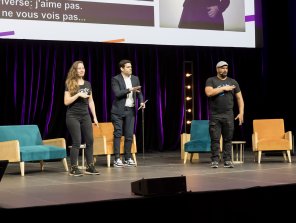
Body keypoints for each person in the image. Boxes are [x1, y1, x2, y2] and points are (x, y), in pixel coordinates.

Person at [205, 61, 244, 168]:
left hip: (228, 115)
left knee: (228, 139)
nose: (225, 70)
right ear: (217, 69)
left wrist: (241, 113)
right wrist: (223, 88)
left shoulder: (233, 82)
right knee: (215, 139)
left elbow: (239, 98)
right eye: (222, 68)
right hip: (215, 115)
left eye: (226, 68)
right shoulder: (211, 80)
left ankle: (227, 160)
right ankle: (215, 160)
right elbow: (209, 93)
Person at [64, 60, 100, 176]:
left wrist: (94, 117)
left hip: (85, 115)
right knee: (77, 141)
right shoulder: (69, 83)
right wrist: (78, 94)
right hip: (72, 115)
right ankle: (73, 168)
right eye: (79, 68)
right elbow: (66, 102)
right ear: (75, 70)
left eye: (83, 68)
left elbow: (91, 101)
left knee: (90, 140)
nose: (81, 70)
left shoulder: (87, 84)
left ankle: (90, 166)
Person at [111, 59, 145, 167]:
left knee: (129, 135)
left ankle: (127, 157)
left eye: (131, 66)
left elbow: (139, 93)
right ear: (122, 68)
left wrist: (142, 101)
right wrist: (130, 89)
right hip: (118, 111)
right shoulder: (116, 79)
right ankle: (117, 158)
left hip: (130, 110)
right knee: (118, 134)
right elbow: (117, 93)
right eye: (128, 67)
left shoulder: (135, 78)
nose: (130, 68)